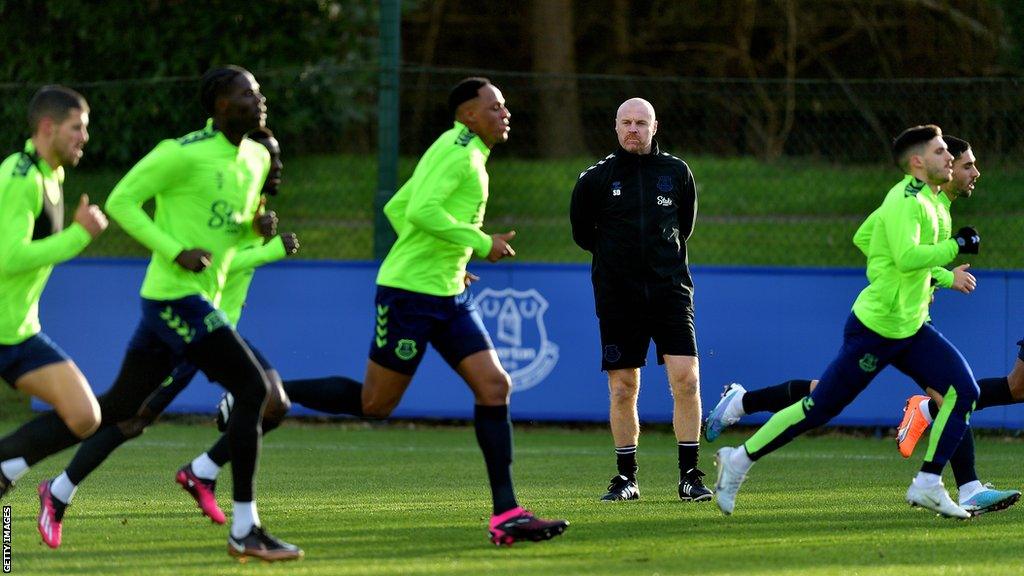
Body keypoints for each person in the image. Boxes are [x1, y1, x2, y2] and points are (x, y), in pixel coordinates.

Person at [227, 77, 568, 546]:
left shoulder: (459, 148)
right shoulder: (458, 152)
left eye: (504, 107)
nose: (504, 113)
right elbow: (422, 213)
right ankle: (262, 392)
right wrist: (479, 243)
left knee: (495, 385)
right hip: (409, 295)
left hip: (446, 293)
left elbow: (396, 208)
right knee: (376, 404)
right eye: (494, 107)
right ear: (468, 113)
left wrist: (454, 262)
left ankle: (506, 513)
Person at [32, 66, 302, 561]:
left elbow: (231, 232)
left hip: (204, 309)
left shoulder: (256, 157)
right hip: (175, 299)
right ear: (221, 104)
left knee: (119, 410)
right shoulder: (179, 152)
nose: (258, 99)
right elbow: (122, 201)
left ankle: (33, 476)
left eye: (260, 92)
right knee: (254, 389)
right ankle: (244, 526)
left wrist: (255, 229)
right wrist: (175, 249)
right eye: (247, 92)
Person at [704, 136, 1020, 515]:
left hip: (911, 325)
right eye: (943, 152)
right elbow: (904, 256)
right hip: (877, 329)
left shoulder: (934, 202)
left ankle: (930, 483)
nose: (951, 159)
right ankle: (738, 459)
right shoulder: (908, 200)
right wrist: (950, 255)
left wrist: (917, 276)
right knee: (819, 408)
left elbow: (868, 238)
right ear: (918, 162)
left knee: (962, 391)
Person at [569, 98, 709, 503]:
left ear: (654, 126)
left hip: (670, 292)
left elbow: (684, 228)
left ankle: (690, 476)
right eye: (626, 123)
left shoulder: (677, 172)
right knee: (623, 386)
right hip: (618, 295)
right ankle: (626, 478)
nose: (634, 129)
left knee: (687, 378)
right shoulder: (595, 179)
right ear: (615, 128)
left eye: (641, 123)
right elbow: (583, 234)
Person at [0, 86, 107, 506]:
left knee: (85, 415)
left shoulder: (53, 175)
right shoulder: (19, 176)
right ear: (48, 127)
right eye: (76, 127)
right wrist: (80, 236)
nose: (84, 136)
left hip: (18, 329)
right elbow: (8, 257)